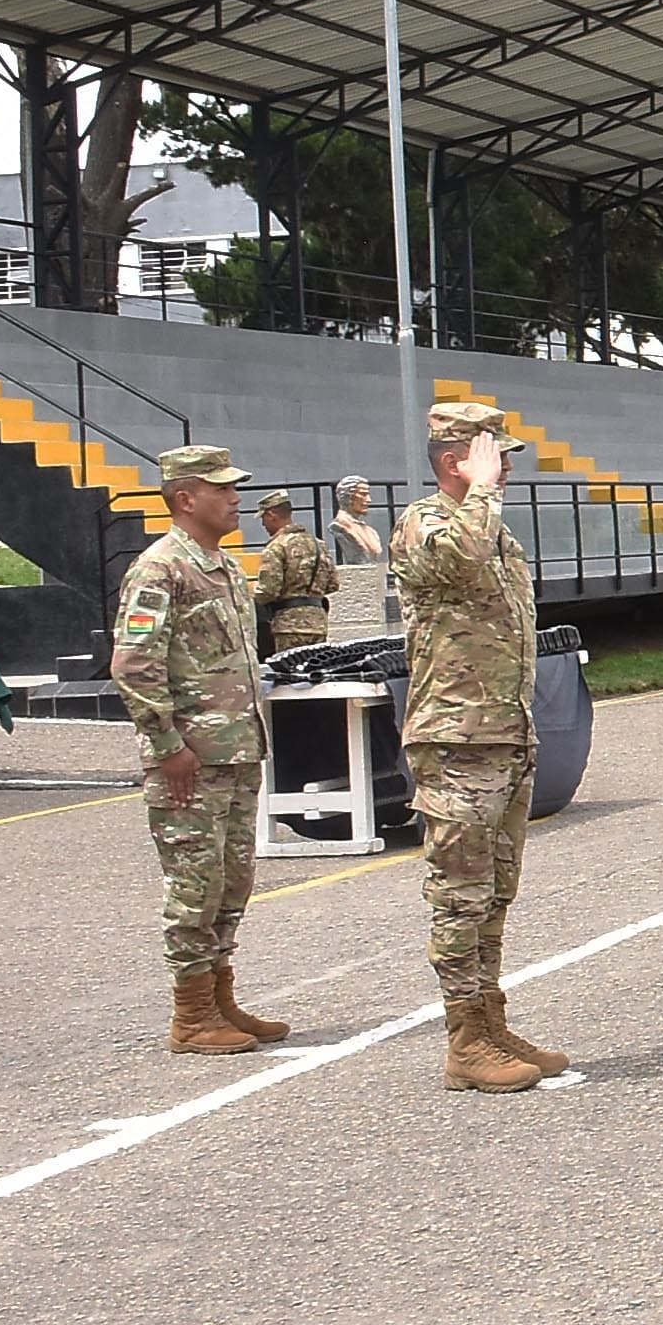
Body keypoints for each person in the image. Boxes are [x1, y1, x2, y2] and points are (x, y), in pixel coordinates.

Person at [396, 399, 566, 1092]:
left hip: (503, 734)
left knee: (495, 892)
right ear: (452, 461)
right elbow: (458, 562)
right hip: (456, 739)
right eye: (495, 457)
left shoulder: (492, 530)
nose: (507, 470)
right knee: (459, 894)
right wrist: (482, 493)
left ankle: (490, 1022)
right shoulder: (427, 522)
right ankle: (464, 1040)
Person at [110, 445, 288, 1055]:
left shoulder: (226, 566)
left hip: (235, 751)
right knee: (194, 884)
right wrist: (168, 746)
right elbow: (134, 664)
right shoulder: (160, 570)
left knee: (232, 881)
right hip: (191, 759)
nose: (237, 499)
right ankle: (190, 1015)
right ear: (185, 498)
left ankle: (219, 996)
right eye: (223, 489)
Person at [248, 490, 339, 659]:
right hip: (318, 623)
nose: (263, 525)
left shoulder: (276, 547)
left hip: (288, 626)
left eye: (263, 518)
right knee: (315, 669)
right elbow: (333, 584)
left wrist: (251, 595)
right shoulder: (319, 544)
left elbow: (268, 591)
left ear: (271, 515)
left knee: (290, 671)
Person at [328, 475, 395, 638]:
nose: (369, 500)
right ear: (348, 497)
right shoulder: (341, 526)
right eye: (363, 494)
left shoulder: (370, 531)